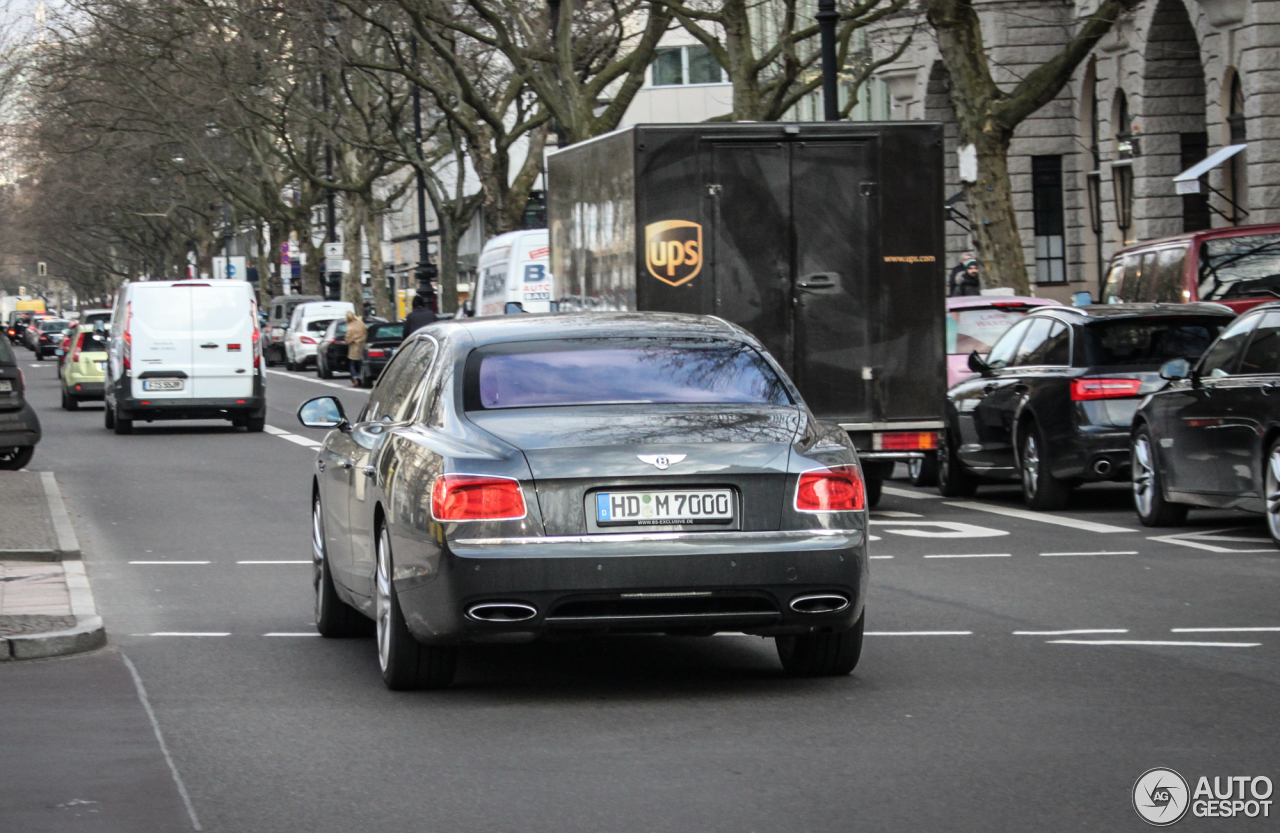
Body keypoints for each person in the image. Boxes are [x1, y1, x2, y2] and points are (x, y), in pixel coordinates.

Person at [344, 311, 367, 387]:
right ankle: (362, 377)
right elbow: (365, 333)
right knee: (361, 363)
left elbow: (348, 338)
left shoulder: (350, 327)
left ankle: (355, 379)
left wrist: (347, 341)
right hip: (362, 345)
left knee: (352, 364)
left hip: (354, 346)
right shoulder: (361, 323)